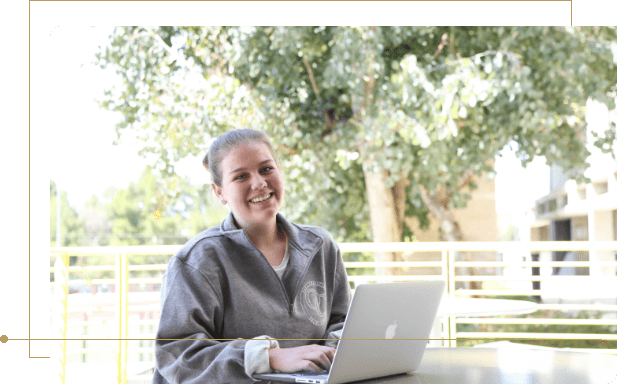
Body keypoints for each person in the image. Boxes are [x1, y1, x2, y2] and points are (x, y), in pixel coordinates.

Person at [152, 129, 351, 384]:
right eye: (241, 176)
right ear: (219, 192)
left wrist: (332, 354)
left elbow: (342, 323)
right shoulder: (195, 262)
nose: (258, 182)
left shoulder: (321, 247)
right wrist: (270, 358)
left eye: (266, 169)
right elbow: (177, 356)